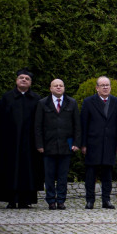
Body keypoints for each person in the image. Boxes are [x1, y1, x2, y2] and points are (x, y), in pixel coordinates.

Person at [0, 69, 43, 209]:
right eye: (21, 77)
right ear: (16, 80)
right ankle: (10, 199)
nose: (24, 80)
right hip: (10, 143)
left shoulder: (36, 99)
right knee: (10, 170)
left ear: (31, 82)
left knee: (28, 171)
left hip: (30, 144)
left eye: (27, 78)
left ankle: (25, 200)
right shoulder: (7, 98)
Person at [34, 78, 81, 210]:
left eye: (61, 86)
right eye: (56, 86)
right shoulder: (43, 103)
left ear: (64, 88)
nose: (59, 88)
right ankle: (50, 201)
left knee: (62, 176)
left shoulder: (71, 103)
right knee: (49, 175)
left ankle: (61, 200)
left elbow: (77, 125)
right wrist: (39, 145)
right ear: (51, 88)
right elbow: (38, 126)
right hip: (48, 146)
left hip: (66, 145)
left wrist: (76, 143)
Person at [80, 76, 117, 209]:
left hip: (110, 143)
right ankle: (90, 200)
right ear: (97, 88)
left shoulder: (116, 102)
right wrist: (83, 144)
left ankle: (106, 200)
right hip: (93, 143)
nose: (105, 87)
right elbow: (83, 124)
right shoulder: (88, 102)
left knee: (107, 175)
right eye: (102, 85)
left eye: (107, 85)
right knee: (91, 174)